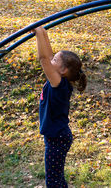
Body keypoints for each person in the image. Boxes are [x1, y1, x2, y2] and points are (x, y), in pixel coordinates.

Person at [32, 26, 87, 187]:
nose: (51, 61)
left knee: (53, 181)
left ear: (63, 70)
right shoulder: (59, 81)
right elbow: (48, 56)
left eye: (55, 60)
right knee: (56, 178)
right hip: (57, 136)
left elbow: (43, 59)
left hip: (57, 139)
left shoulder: (58, 84)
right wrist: (42, 32)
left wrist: (39, 33)